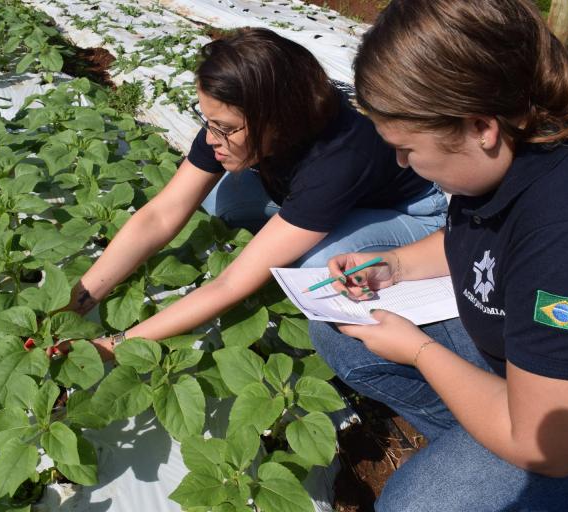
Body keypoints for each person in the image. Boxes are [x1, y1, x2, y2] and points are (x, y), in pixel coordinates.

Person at [308, 1, 568, 510]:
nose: (400, 162)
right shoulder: (521, 136)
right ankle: (478, 447)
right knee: (340, 331)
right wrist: (396, 265)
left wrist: (418, 350)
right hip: (533, 365)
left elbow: (551, 446)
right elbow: (489, 238)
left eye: (408, 147)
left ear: (481, 126)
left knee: (416, 505)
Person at [59, 27, 446, 357]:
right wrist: (78, 300)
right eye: (207, 120)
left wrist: (116, 345)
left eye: (226, 128)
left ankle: (308, 233)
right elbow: (162, 214)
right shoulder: (234, 123)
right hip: (323, 192)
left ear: (279, 120)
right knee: (219, 202)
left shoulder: (337, 158)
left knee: (318, 265)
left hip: (411, 212)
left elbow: (230, 283)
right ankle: (301, 225)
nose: (212, 138)